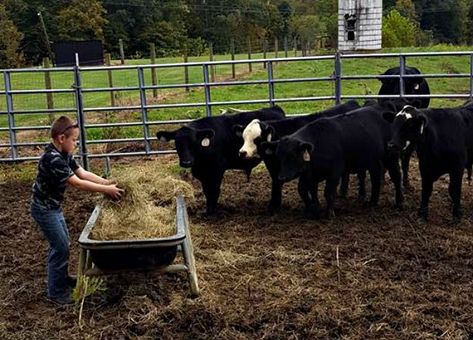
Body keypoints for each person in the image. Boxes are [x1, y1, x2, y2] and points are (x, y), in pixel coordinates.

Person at [30, 116, 123, 305]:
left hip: (53, 207)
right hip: (44, 209)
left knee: (63, 243)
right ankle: (56, 292)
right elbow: (77, 183)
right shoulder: (52, 159)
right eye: (74, 140)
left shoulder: (64, 154)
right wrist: (107, 190)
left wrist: (107, 182)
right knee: (60, 247)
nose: (76, 143)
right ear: (61, 138)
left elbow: (82, 172)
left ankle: (61, 279)